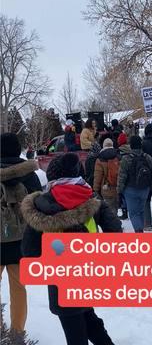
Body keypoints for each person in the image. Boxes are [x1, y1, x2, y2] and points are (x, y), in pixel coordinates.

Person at [21, 152, 121, 345]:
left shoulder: (41, 205)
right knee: (87, 314)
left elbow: (29, 251)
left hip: (60, 278)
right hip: (89, 270)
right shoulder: (91, 197)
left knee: (75, 327)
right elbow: (115, 232)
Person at [0, 133, 42, 333]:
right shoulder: (30, 175)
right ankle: (17, 332)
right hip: (20, 241)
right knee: (18, 288)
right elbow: (38, 208)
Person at [117, 136, 152, 233]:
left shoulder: (126, 159)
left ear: (131, 145)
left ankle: (138, 232)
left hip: (130, 190)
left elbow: (122, 176)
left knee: (134, 213)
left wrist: (119, 190)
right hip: (145, 189)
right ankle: (140, 229)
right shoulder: (147, 157)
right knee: (141, 211)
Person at [93, 138, 120, 216]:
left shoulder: (100, 158)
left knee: (110, 209)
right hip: (118, 187)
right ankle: (116, 223)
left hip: (106, 188)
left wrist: (96, 189)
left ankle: (114, 225)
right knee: (115, 207)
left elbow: (98, 176)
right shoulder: (118, 156)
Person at [117, 133, 131, 220]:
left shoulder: (118, 151)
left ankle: (124, 212)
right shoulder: (131, 149)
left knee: (122, 195)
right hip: (131, 176)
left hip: (121, 175)